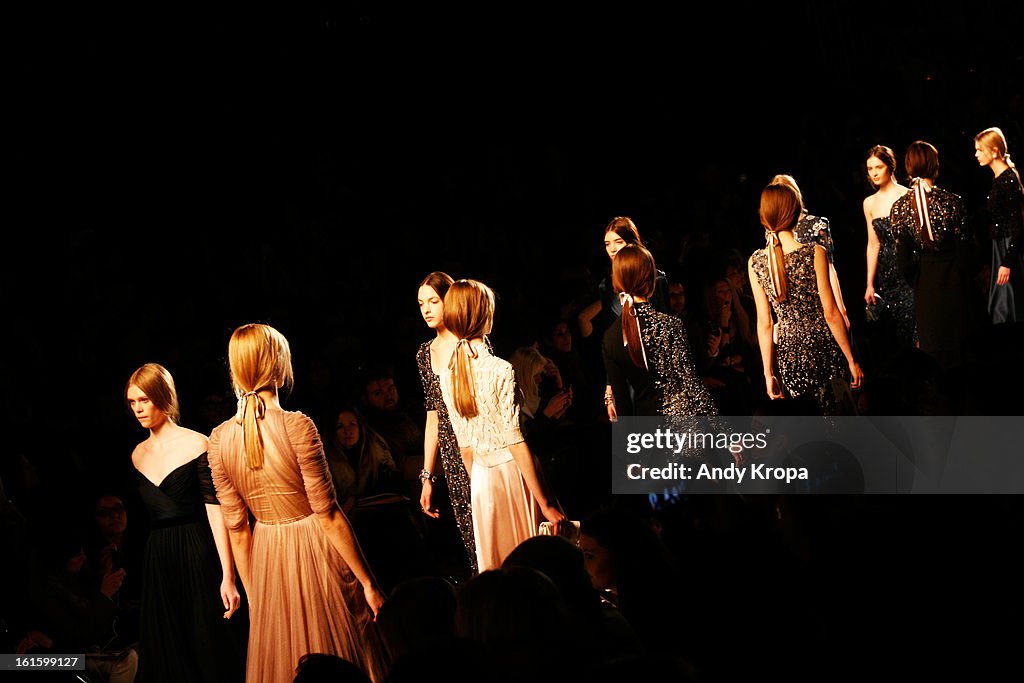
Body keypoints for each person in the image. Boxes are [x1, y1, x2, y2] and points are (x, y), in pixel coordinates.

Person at [207, 324, 387, 683]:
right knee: (340, 650)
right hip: (314, 547)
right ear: (277, 364)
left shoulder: (218, 440)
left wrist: (258, 600)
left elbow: (238, 530)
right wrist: (368, 582)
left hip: (267, 557)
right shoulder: (297, 426)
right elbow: (329, 514)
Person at [125, 363, 246, 683]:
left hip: (196, 551)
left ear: (164, 398)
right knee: (168, 645)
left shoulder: (197, 443)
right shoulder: (136, 454)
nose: (138, 409)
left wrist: (228, 575)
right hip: (158, 556)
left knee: (206, 639)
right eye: (132, 402)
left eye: (144, 400)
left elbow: (214, 509)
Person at [439, 279, 567, 572]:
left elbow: (465, 445)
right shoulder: (499, 369)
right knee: (530, 564)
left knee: (499, 569)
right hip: (511, 475)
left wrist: (479, 486)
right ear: (483, 314)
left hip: (483, 481)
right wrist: (545, 502)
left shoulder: (450, 375)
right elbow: (515, 441)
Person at [748, 184, 864, 415]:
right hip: (823, 345)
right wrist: (851, 358)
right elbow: (830, 312)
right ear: (795, 213)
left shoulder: (756, 262)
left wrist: (768, 373)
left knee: (804, 420)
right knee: (836, 416)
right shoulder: (814, 252)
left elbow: (765, 324)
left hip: (789, 352)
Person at [601, 244, 719, 419]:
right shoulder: (670, 325)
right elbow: (693, 387)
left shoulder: (610, 337)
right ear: (650, 281)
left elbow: (623, 404)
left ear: (617, 282)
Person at [890, 140, 974, 369]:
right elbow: (966, 251)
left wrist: (917, 279)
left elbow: (903, 261)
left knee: (934, 353)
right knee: (959, 351)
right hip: (954, 279)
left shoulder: (899, 208)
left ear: (907, 166)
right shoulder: (952, 202)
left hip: (925, 283)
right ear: (935, 164)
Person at [415, 271, 477, 576]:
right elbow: (433, 415)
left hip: (481, 443)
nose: (426, 309)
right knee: (470, 535)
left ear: (448, 301)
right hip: (452, 457)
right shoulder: (424, 354)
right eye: (421, 303)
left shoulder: (472, 341)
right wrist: (428, 475)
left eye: (433, 301)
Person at [769, 174, 850, 329]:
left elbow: (830, 267)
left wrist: (841, 309)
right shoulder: (773, 231)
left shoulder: (817, 224)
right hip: (792, 305)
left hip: (820, 295)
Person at [862, 144, 917, 350]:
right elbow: (873, 243)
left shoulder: (908, 195)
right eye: (870, 169)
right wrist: (869, 283)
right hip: (887, 276)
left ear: (890, 167)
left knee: (914, 325)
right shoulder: (869, 203)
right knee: (896, 333)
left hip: (910, 269)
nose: (874, 173)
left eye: (878, 167)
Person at [974, 126, 1024, 324]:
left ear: (994, 151)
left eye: (980, 149)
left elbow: (1018, 224)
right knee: (1001, 306)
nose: (976, 154)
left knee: (1006, 307)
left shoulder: (1008, 179)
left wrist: (1007, 261)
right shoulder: (999, 178)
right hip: (1001, 246)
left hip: (1008, 246)